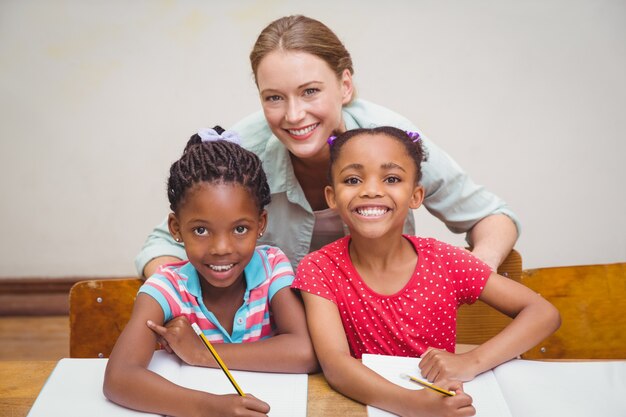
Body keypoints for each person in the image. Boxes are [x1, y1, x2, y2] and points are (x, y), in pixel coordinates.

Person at [136, 14, 520, 279]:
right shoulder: (243, 151)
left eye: (310, 91)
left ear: (345, 86)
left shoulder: (393, 140)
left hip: (376, 323)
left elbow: (494, 218)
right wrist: (183, 298)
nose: (293, 115)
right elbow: (162, 244)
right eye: (274, 98)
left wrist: (472, 275)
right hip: (277, 332)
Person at [291, 126, 560, 417]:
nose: (370, 190)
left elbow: (544, 313)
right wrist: (413, 404)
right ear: (332, 196)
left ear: (416, 195)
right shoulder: (319, 268)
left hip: (446, 401)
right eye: (353, 179)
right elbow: (336, 364)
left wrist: (472, 360)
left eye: (391, 178)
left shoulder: (444, 261)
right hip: (369, 407)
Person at [104, 127, 317, 417]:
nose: (221, 248)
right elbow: (119, 378)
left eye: (240, 229)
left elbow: (305, 352)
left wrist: (201, 353)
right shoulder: (167, 287)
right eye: (201, 230)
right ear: (176, 229)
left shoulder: (272, 267)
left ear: (261, 224)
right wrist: (211, 408)